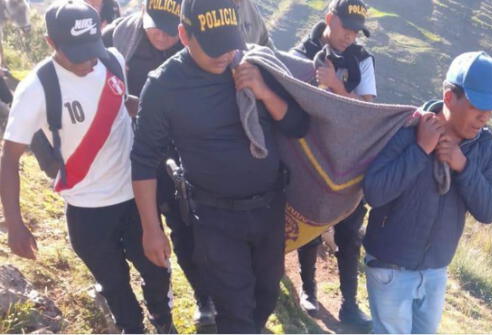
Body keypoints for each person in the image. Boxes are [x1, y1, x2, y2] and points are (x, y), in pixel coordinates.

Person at [130, 0, 310, 333]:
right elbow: (142, 159)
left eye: (229, 45)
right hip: (215, 219)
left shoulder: (253, 65)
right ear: (184, 35)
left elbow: (298, 127)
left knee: (265, 297)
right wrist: (151, 228)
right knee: (235, 313)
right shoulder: (164, 86)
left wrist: (264, 92)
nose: (225, 55)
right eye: (214, 47)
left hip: (269, 209)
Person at [0, 1, 174, 333]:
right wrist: (16, 223)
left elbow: (123, 105)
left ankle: (163, 321)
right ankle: (130, 327)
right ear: (51, 43)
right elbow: (9, 159)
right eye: (77, 53)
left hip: (134, 195)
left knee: (157, 269)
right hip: (86, 208)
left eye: (92, 48)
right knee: (114, 283)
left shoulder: (112, 60)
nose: (88, 61)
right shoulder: (36, 89)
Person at [362, 51, 492, 334]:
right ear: (450, 96)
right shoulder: (406, 129)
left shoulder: (485, 148)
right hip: (390, 267)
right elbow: (374, 193)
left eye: (491, 109)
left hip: (435, 272)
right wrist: (419, 150)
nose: (485, 117)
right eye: (479, 106)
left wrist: (463, 166)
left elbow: (491, 210)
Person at [289, 0, 375, 328]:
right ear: (329, 20)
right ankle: (309, 291)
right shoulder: (300, 54)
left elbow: (367, 112)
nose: (351, 37)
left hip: (351, 160)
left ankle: (350, 304)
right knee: (309, 222)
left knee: (350, 232)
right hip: (310, 157)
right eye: (346, 29)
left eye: (357, 31)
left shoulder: (362, 60)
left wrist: (336, 88)